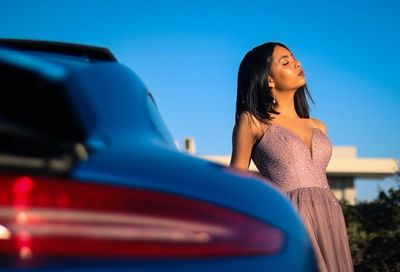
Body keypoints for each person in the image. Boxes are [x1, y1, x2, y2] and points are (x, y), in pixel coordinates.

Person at [230, 42, 353, 272]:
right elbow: (236, 179)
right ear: (269, 80)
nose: (297, 64)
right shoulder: (252, 121)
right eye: (285, 62)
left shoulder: (318, 126)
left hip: (329, 215)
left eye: (294, 58)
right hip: (289, 217)